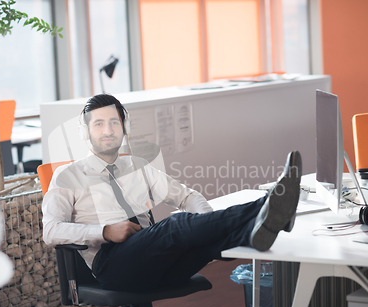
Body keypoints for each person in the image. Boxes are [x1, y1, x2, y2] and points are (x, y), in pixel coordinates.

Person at [42, 94, 302, 293]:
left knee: (204, 239)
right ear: (85, 131)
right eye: (98, 124)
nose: (108, 130)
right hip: (115, 268)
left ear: (124, 128)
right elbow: (50, 231)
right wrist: (105, 231)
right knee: (176, 224)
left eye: (114, 122)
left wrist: (204, 225)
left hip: (157, 263)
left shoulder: (137, 166)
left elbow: (187, 196)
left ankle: (254, 231)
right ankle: (266, 205)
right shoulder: (67, 176)